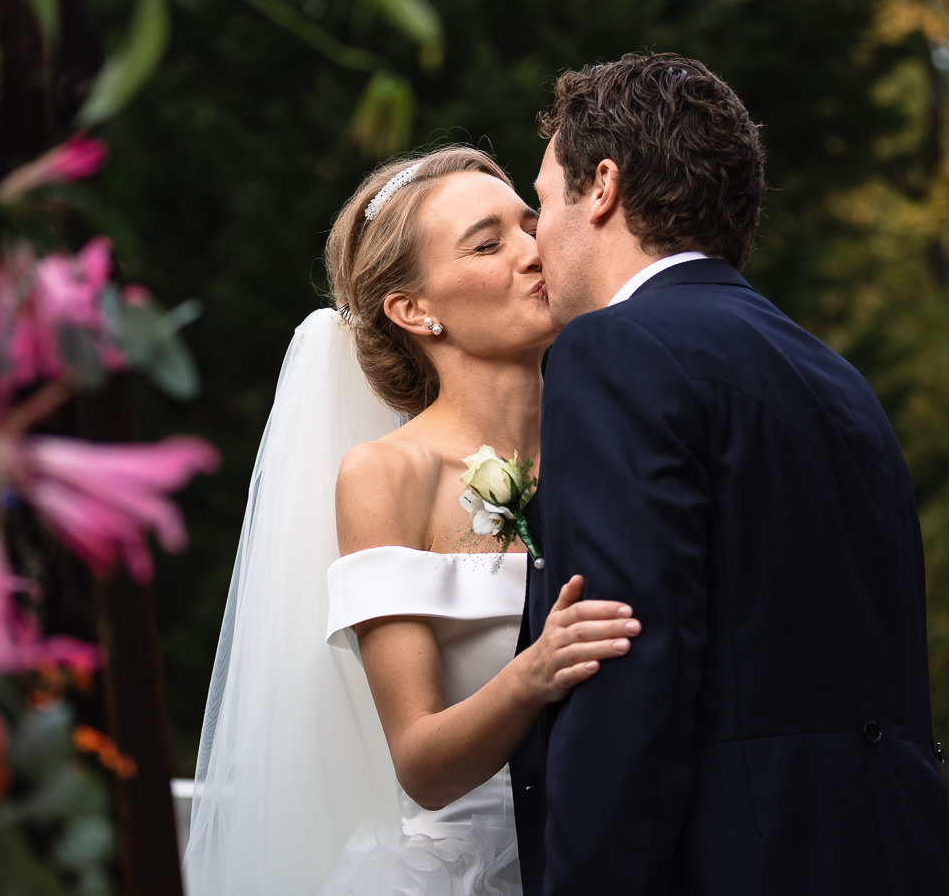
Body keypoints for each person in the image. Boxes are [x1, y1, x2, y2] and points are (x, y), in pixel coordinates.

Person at [510, 52, 949, 895]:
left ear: (601, 185)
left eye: (541, 200)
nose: (537, 237)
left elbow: (628, 677)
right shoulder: (836, 377)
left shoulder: (614, 351)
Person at [185, 145, 642, 896]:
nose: (534, 252)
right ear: (414, 310)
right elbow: (422, 763)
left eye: (530, 224)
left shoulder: (613, 443)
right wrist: (535, 669)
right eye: (488, 244)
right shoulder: (387, 475)